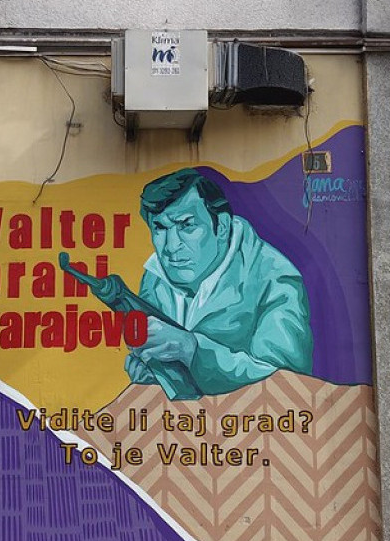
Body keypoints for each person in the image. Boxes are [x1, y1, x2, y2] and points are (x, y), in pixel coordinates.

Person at [125, 168, 313, 398]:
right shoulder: (155, 277)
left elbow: (286, 385)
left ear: (222, 226)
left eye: (187, 225)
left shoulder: (275, 280)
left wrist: (193, 350)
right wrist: (157, 376)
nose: (171, 246)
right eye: (160, 228)